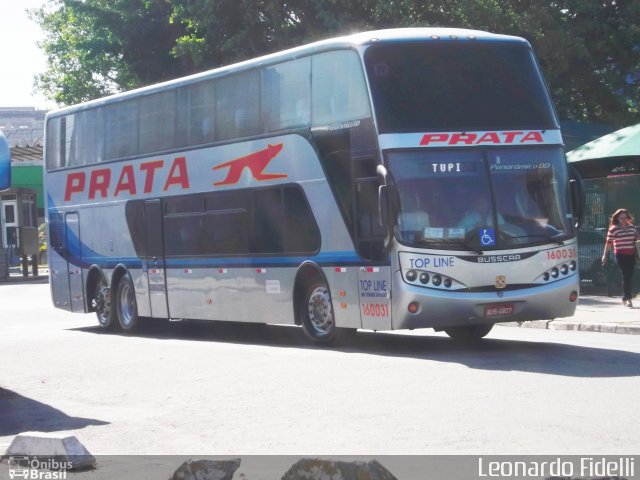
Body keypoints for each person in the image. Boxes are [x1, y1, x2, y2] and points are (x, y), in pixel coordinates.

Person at [601, 208, 638, 308]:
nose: (624, 220)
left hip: (631, 254)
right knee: (626, 275)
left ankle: (625, 297)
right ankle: (629, 298)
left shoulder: (631, 227)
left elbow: (637, 239)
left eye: (625, 218)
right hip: (620, 255)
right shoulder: (613, 229)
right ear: (617, 218)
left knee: (629, 276)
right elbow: (608, 243)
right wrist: (604, 255)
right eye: (621, 218)